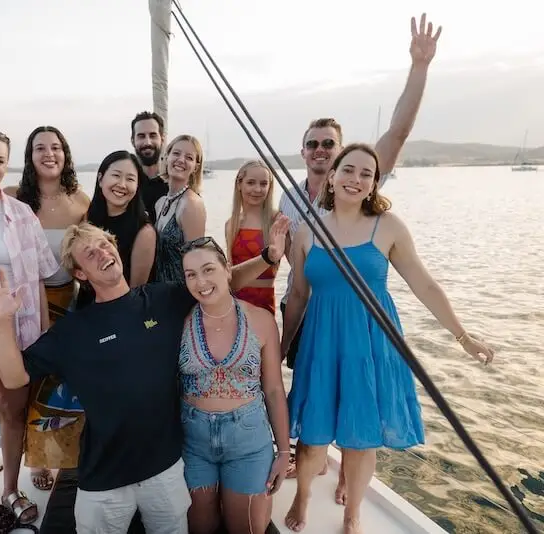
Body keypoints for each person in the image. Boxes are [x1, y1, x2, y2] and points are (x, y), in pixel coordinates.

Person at [240, 12, 443, 498]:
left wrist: (419, 68)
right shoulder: (287, 199)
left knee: (357, 393)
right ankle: (308, 461)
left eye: (328, 143)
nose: (319, 150)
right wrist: (284, 332)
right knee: (311, 391)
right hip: (307, 308)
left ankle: (349, 480)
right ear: (303, 151)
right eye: (311, 144)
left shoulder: (360, 179)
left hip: (355, 312)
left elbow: (397, 133)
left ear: (343, 152)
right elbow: (286, 267)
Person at [0, 220, 289, 533]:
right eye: (89, 253)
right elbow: (16, 378)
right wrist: (1, 321)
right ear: (80, 274)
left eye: (104, 244)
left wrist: (268, 258)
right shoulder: (72, 331)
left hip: (165, 470)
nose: (102, 253)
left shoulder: (162, 299)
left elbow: (217, 283)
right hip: (103, 480)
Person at [280, 143, 495, 533]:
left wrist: (463, 336)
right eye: (349, 170)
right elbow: (297, 295)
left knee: (361, 439)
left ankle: (353, 513)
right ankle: (304, 495)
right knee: (312, 437)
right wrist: (279, 348)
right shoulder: (307, 230)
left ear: (375, 183)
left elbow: (425, 285)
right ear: (332, 175)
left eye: (367, 174)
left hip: (370, 344)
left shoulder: (388, 226)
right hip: (322, 345)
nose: (356, 179)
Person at [178, 234, 290, 534]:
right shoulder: (179, 320)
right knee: (200, 527)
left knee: (248, 528)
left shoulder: (261, 320)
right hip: (193, 440)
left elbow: (275, 390)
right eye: (191, 275)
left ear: (227, 269)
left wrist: (283, 452)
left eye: (208, 269)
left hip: (248, 441)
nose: (201, 281)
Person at [5, 125, 91, 491]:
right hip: (23, 305)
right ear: (30, 156)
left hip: (68, 302)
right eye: (40, 148)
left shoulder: (80, 202)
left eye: (55, 147)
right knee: (24, 387)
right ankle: (25, 464)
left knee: (59, 387)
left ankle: (49, 455)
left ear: (65, 153)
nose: (49, 154)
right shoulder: (13, 198)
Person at [77, 150, 156, 307]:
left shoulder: (144, 232)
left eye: (130, 179)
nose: (122, 184)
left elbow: (135, 292)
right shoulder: (87, 218)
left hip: (120, 311)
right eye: (116, 175)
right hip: (85, 308)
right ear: (100, 179)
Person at [225, 160, 281, 315]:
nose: (257, 189)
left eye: (263, 184)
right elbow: (230, 273)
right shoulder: (231, 224)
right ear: (239, 184)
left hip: (263, 306)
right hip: (234, 305)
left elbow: (296, 267)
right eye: (251, 183)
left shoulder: (276, 220)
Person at [154, 134, 207, 283]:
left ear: (195, 167)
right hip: (159, 292)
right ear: (166, 157)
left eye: (189, 157)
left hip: (181, 293)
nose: (181, 160)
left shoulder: (191, 204)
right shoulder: (160, 203)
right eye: (176, 153)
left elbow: (197, 261)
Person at [130, 111, 168, 222]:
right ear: (133, 141)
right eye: (141, 136)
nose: (148, 142)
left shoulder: (174, 184)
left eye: (153, 135)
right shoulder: (125, 185)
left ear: (162, 139)